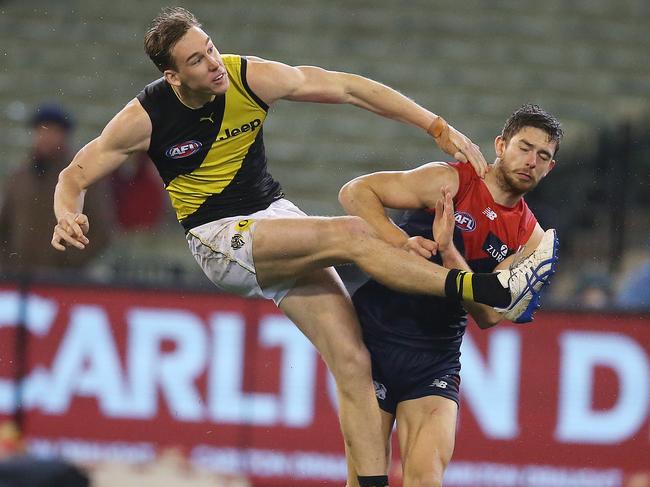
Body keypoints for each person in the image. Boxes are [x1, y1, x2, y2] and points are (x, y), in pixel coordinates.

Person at [50, 8, 557, 487]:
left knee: (354, 360)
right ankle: (479, 284)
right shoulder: (147, 115)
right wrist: (66, 210)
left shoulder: (246, 76)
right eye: (197, 61)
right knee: (354, 234)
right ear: (173, 77)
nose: (213, 63)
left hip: (275, 219)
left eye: (210, 47)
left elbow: (348, 88)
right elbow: (77, 172)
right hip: (219, 236)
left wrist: (435, 125)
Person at [339, 104, 562, 487]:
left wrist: (449, 251)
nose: (531, 161)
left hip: (434, 359)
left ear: (550, 168)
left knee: (426, 480)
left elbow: (490, 316)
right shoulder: (450, 181)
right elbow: (356, 193)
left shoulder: (530, 238)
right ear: (500, 145)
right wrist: (401, 241)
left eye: (543, 156)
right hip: (373, 340)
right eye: (524, 148)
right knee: (363, 482)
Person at [0, 104, 111, 276]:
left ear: (64, 136)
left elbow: (102, 230)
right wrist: (8, 263)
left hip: (63, 282)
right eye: (42, 131)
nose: (46, 137)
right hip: (20, 279)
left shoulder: (83, 176)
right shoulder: (19, 176)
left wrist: (68, 262)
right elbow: (5, 225)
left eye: (53, 131)